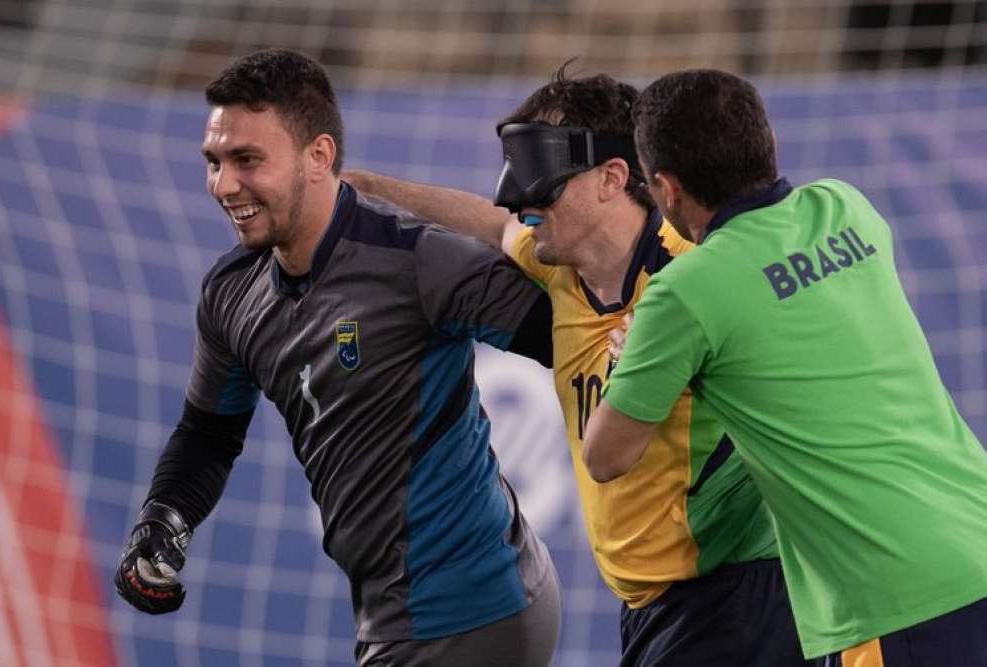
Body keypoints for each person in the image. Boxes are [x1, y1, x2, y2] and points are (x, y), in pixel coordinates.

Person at [113, 48, 562, 667]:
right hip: (397, 611)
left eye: (248, 160)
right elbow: (209, 433)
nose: (223, 185)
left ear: (318, 156)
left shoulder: (415, 260)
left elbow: (564, 335)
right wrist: (164, 517)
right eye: (214, 162)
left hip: (472, 605)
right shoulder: (230, 294)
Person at [346, 65, 806, 666]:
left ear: (615, 177)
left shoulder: (700, 275)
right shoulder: (556, 264)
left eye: (542, 172)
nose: (520, 196)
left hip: (739, 592)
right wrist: (359, 189)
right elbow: (488, 222)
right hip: (651, 606)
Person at [583, 68, 987, 665]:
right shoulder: (848, 207)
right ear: (764, 142)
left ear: (665, 189)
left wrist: (640, 348)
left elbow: (605, 456)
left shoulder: (685, 293)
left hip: (898, 596)